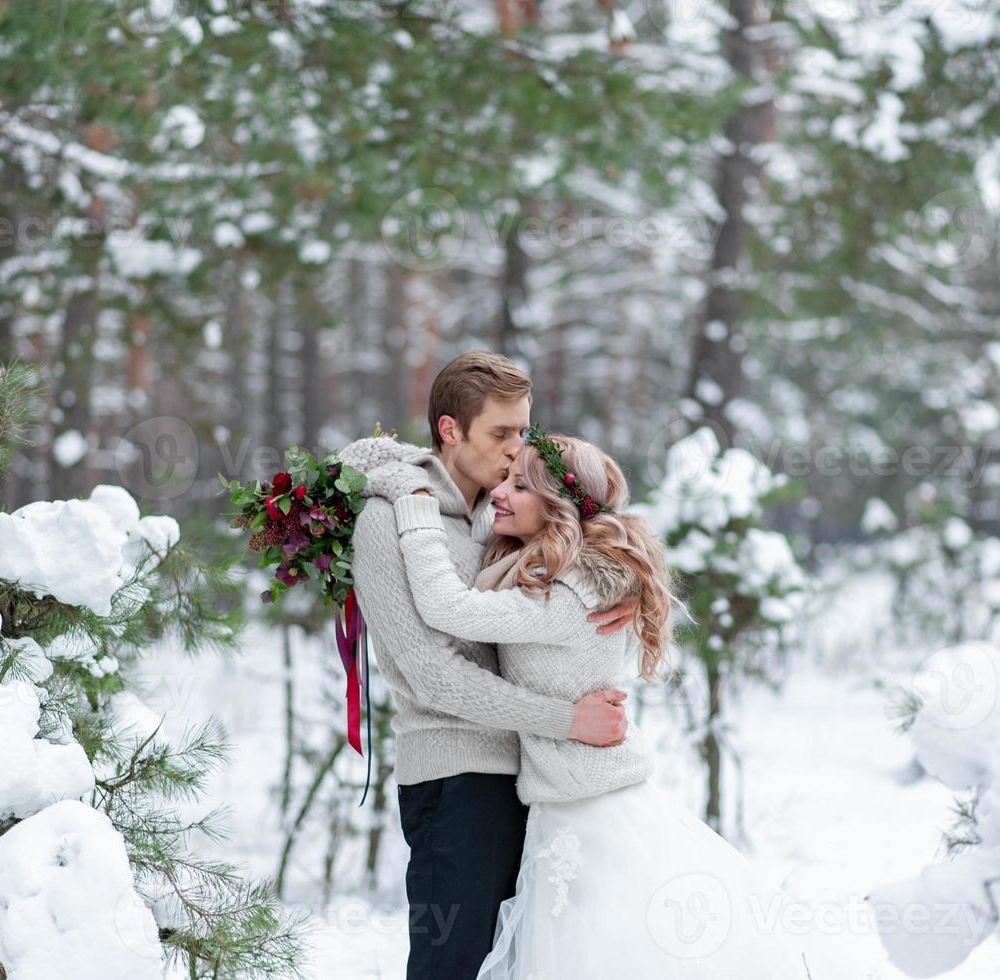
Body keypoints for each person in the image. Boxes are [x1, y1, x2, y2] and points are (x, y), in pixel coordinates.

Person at [372, 426, 842, 979]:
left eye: (520, 486)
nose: (501, 490)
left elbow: (445, 607)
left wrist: (416, 506)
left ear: (559, 508)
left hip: (587, 814)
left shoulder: (566, 598)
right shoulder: (562, 576)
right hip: (566, 803)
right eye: (508, 477)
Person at [336, 351, 639, 980]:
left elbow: (577, 552)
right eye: (501, 434)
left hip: (532, 781)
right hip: (457, 781)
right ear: (451, 430)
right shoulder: (389, 518)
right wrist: (566, 720)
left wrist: (618, 584)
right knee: (452, 967)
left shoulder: (501, 515)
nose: (514, 451)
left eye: (523, 432)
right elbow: (431, 675)